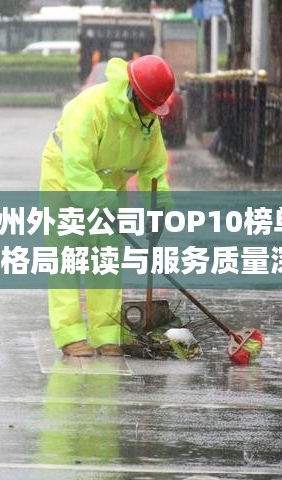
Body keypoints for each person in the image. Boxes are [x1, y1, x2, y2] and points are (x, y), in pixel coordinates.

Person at [39, 55, 175, 357]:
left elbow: (153, 171)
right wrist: (103, 207)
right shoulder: (91, 107)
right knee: (67, 255)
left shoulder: (148, 122)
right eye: (148, 106)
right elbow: (77, 165)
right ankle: (70, 333)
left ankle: (107, 334)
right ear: (133, 93)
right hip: (64, 179)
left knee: (106, 256)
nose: (151, 113)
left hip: (109, 186)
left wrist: (158, 211)